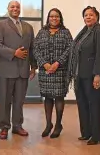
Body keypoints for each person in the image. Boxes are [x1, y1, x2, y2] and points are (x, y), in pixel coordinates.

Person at [0, 0, 37, 140]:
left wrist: (33, 66)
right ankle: (4, 127)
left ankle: (17, 126)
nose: (15, 9)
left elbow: (32, 48)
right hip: (6, 69)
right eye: (12, 6)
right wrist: (13, 53)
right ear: (8, 9)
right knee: (5, 100)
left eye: (17, 7)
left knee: (19, 100)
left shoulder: (28, 27)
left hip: (23, 70)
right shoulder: (0, 25)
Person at [68, 6, 100, 145]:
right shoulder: (84, 32)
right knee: (82, 104)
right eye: (86, 15)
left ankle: (96, 136)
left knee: (95, 105)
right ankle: (86, 132)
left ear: (97, 16)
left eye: (91, 15)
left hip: (93, 75)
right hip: (80, 75)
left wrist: (97, 74)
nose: (88, 17)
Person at [33, 8, 73, 138]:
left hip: (60, 70)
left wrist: (57, 63)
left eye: (56, 16)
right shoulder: (41, 32)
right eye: (51, 16)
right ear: (48, 18)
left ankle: (58, 125)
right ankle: (48, 124)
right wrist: (44, 63)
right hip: (45, 71)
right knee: (48, 97)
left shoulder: (65, 33)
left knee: (59, 97)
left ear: (60, 18)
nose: (54, 18)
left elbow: (70, 49)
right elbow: (35, 49)